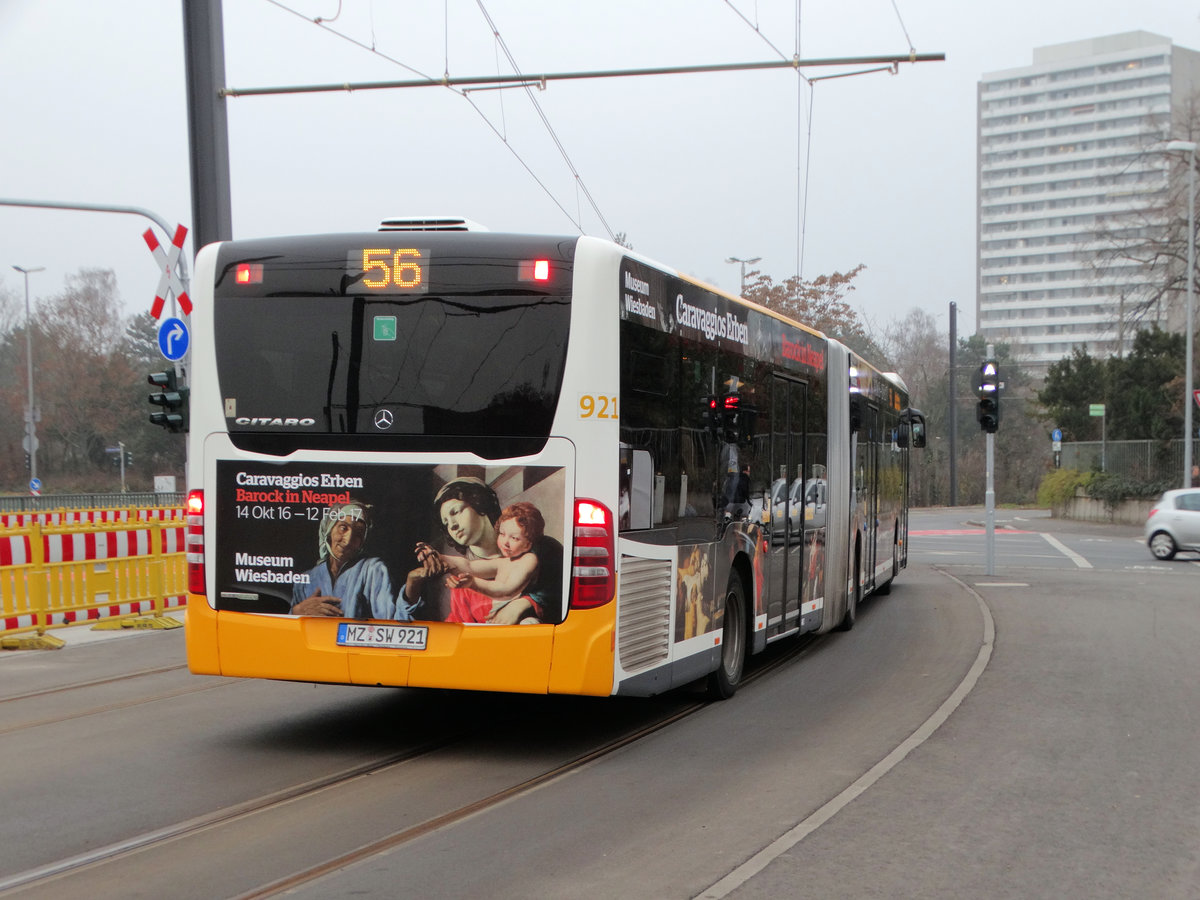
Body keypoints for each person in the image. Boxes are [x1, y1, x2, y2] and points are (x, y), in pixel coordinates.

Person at [290, 499, 413, 620]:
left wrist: (413, 585)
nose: (348, 540)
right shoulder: (306, 580)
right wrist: (297, 612)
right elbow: (286, 631)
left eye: (358, 534)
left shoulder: (373, 570)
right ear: (329, 530)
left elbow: (392, 625)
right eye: (343, 528)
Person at [403, 477, 503, 620]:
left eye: (455, 512)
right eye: (446, 523)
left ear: (480, 503)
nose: (453, 526)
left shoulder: (528, 549)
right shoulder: (461, 581)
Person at [437, 501, 547, 624]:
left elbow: (507, 591)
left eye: (514, 538)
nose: (505, 542)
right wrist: (439, 557)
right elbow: (469, 566)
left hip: (519, 617)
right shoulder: (504, 562)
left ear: (528, 543)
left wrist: (473, 583)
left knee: (530, 624)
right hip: (496, 615)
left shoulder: (529, 559)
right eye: (502, 534)